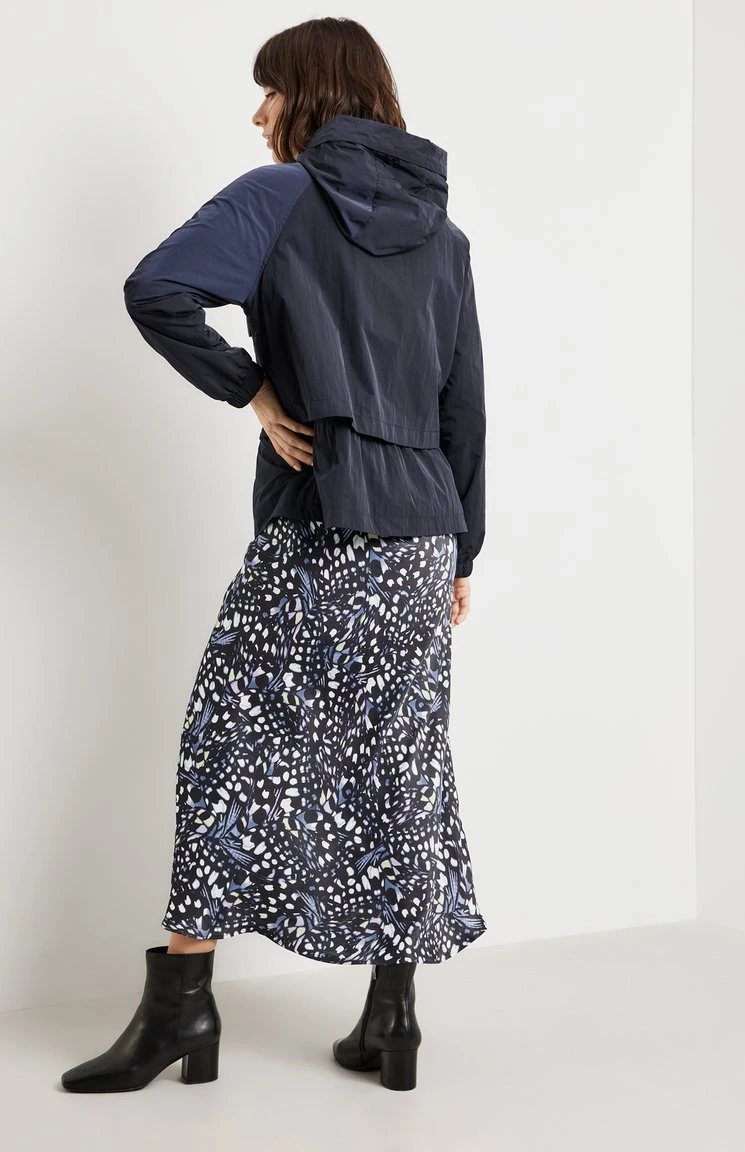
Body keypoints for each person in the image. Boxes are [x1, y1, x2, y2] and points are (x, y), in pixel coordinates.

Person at [61, 16, 487, 1095]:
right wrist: (462, 554)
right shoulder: (443, 236)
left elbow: (155, 289)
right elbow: (462, 409)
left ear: (316, 93)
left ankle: (181, 1012)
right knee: (399, 760)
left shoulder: (281, 195)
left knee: (228, 747)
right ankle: (392, 1020)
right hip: (420, 539)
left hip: (322, 522)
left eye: (272, 91)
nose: (259, 114)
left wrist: (251, 388)